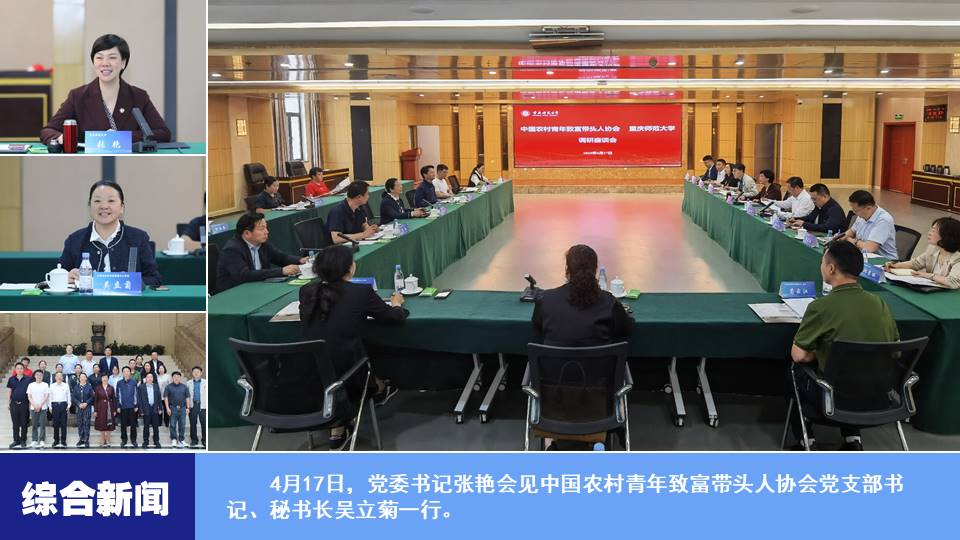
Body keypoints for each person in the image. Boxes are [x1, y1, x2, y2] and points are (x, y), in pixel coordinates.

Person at [789, 241, 900, 451]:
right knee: (855, 370)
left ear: (831, 268)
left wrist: (822, 353)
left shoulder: (821, 307)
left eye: (823, 262)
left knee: (796, 371)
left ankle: (806, 440)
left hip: (834, 396)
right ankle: (852, 438)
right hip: (879, 395)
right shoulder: (880, 303)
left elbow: (799, 355)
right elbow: (895, 348)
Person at [299, 245, 406, 449]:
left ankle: (338, 430)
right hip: (349, 374)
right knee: (352, 357)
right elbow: (394, 318)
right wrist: (397, 303)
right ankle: (377, 388)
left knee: (335, 354)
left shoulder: (306, 290)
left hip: (311, 373)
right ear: (349, 268)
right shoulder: (360, 292)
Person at [40, 34, 170, 144]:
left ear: (123, 63)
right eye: (99, 57)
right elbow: (48, 130)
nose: (105, 63)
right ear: (93, 62)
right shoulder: (78, 96)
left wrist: (122, 137)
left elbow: (163, 133)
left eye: (112, 57)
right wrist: (61, 138)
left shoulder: (139, 96)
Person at [59, 180, 162, 287]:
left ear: (122, 207)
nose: (104, 206)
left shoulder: (138, 238)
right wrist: (65, 278)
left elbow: (154, 279)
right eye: (97, 201)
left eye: (111, 200)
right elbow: (58, 273)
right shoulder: (75, 240)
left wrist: (131, 281)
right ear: (89, 206)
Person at [532, 244, 633, 347]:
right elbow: (625, 328)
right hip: (600, 358)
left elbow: (537, 325)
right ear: (595, 270)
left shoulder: (546, 299)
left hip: (553, 358)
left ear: (567, 269)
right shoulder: (609, 302)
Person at [216, 212, 307, 292]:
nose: (266, 232)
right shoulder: (232, 249)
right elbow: (244, 275)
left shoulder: (262, 244)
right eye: (261, 229)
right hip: (234, 292)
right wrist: (281, 271)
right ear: (247, 233)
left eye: (266, 227)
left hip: (257, 286)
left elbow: (280, 257)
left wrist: (300, 260)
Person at [885, 217, 960, 289]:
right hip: (933, 291)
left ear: (946, 236)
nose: (929, 233)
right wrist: (896, 265)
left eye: (933, 231)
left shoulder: (957, 258)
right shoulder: (933, 249)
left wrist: (929, 276)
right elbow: (916, 263)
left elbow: (953, 282)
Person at [840, 190, 898, 260]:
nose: (854, 213)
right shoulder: (862, 215)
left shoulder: (884, 220)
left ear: (868, 208)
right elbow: (852, 231)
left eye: (856, 210)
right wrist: (840, 237)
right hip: (864, 256)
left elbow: (870, 248)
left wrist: (852, 241)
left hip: (883, 261)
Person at [7, 362, 32, 449]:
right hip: (14, 404)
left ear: (23, 369)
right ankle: (16, 440)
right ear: (15, 369)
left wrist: (30, 404)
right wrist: (8, 403)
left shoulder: (28, 379)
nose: (19, 370)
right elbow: (10, 391)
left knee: (24, 423)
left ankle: (23, 440)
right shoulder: (11, 379)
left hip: (24, 404)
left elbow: (30, 392)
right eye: (18, 368)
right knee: (15, 424)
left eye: (21, 368)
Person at [163, 371, 191, 448]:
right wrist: (167, 408)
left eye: (178, 377)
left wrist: (188, 407)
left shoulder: (184, 387)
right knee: (172, 424)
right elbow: (166, 398)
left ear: (180, 378)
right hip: (172, 408)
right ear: (172, 378)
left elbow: (187, 397)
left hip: (182, 408)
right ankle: (174, 439)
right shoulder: (168, 387)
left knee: (182, 424)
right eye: (175, 376)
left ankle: (181, 440)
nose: (176, 378)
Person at [138, 372, 163, 449]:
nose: (150, 378)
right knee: (146, 426)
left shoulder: (156, 386)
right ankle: (146, 441)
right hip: (146, 408)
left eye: (151, 377)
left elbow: (159, 398)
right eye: (148, 377)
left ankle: (156, 441)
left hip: (154, 408)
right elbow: (139, 399)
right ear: (145, 378)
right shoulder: (141, 387)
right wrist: (141, 410)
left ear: (153, 378)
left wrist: (160, 408)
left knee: (156, 426)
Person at [115, 367, 138, 448]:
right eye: (124, 371)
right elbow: (117, 395)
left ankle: (133, 440)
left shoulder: (134, 382)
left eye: (127, 371)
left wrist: (136, 405)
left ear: (130, 372)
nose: (126, 373)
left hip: (132, 406)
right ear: (123, 373)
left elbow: (136, 394)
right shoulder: (119, 383)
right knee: (123, 425)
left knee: (133, 425)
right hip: (123, 406)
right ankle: (124, 440)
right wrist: (118, 406)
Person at [93, 373, 117, 448]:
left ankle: (108, 440)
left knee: (109, 425)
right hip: (100, 408)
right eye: (103, 377)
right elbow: (95, 400)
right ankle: (102, 440)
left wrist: (114, 410)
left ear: (108, 378)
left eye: (106, 377)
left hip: (110, 408)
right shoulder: (98, 388)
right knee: (102, 424)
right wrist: (95, 410)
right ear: (101, 379)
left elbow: (114, 399)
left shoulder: (111, 388)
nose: (104, 379)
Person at [27, 370, 50, 448]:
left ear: (42, 376)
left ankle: (42, 440)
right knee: (34, 424)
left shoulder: (45, 385)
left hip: (43, 407)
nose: (39, 376)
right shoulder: (31, 385)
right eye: (37, 375)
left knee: (43, 424)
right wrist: (34, 405)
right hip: (33, 407)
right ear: (34, 376)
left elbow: (46, 396)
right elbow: (29, 396)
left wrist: (40, 405)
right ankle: (34, 440)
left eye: (40, 375)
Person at [187, 366, 208, 449]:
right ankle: (194, 440)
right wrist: (187, 406)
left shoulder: (206, 382)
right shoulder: (188, 383)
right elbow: (187, 396)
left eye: (197, 371)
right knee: (193, 423)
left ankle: (205, 440)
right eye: (194, 371)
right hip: (193, 405)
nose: (196, 373)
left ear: (201, 373)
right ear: (192, 373)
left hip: (203, 405)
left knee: (204, 423)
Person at [71, 372, 93, 448]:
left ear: (86, 378)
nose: (82, 378)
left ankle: (86, 440)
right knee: (80, 423)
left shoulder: (89, 386)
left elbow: (92, 397)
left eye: (84, 377)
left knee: (86, 423)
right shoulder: (76, 387)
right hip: (79, 407)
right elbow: (73, 397)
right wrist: (78, 403)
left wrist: (86, 403)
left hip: (87, 407)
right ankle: (81, 439)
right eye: (81, 377)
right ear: (79, 378)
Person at [49, 372, 70, 449]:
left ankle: (63, 441)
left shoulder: (66, 385)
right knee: (56, 424)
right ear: (55, 378)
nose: (59, 377)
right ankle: (56, 440)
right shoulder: (52, 386)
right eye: (57, 376)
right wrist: (50, 407)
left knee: (64, 424)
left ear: (62, 377)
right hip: (55, 405)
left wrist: (69, 405)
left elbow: (68, 395)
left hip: (63, 405)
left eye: (60, 376)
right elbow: (50, 396)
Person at [156, 364, 172, 433]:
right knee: (159, 409)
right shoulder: (156, 377)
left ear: (164, 369)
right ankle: (159, 423)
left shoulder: (168, 376)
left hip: (166, 396)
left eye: (162, 368)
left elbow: (171, 386)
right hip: (158, 396)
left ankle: (167, 423)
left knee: (166, 409)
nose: (161, 369)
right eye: (159, 368)